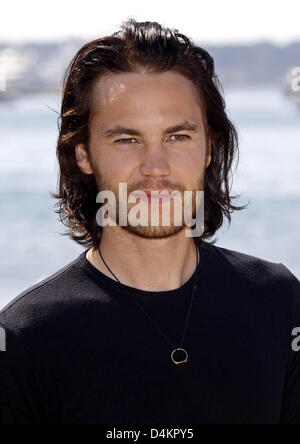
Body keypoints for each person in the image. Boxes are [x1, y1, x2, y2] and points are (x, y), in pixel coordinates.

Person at [0, 19, 299, 425]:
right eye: (127, 139)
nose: (156, 168)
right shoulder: (23, 338)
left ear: (209, 148)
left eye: (178, 137)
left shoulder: (280, 304)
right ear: (83, 155)